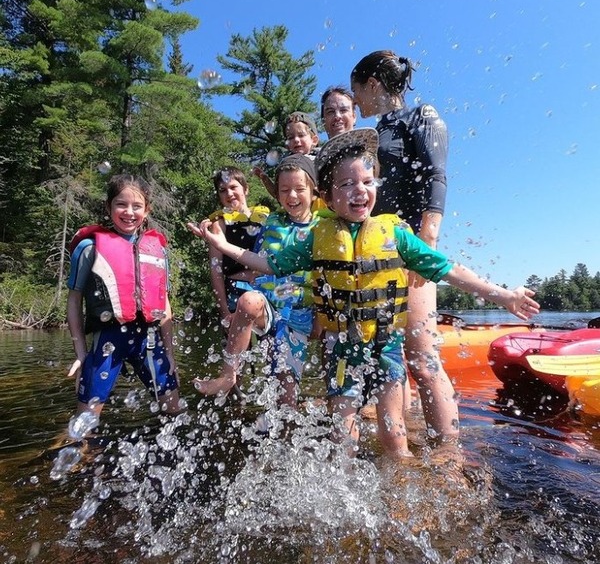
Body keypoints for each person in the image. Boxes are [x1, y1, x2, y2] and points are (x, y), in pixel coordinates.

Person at [189, 129, 540, 459]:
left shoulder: (395, 234)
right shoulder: (317, 237)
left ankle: (401, 480)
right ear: (327, 196)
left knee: (394, 430)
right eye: (348, 183)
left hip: (386, 345)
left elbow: (447, 269)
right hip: (342, 346)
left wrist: (503, 296)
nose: (360, 190)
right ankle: (344, 495)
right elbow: (267, 264)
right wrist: (223, 246)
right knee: (343, 430)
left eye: (367, 181)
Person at [350, 50, 456, 443]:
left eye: (356, 90)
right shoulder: (376, 133)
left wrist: (426, 243)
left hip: (411, 248)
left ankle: (448, 454)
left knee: (423, 360)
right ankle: (408, 435)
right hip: (378, 253)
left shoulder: (421, 116)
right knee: (392, 358)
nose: (355, 99)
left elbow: (436, 177)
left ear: (373, 85)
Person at [192, 155, 318, 410]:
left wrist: (323, 316)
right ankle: (228, 377)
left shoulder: (322, 226)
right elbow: (254, 258)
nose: (291, 195)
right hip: (264, 307)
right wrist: (219, 243)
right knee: (248, 301)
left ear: (315, 191)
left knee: (286, 395)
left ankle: (279, 431)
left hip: (298, 314)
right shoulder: (271, 222)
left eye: (299, 189)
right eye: (284, 190)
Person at [66, 174, 181, 423]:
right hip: (107, 341)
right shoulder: (88, 249)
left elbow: (164, 305)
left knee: (175, 411)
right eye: (121, 204)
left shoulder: (158, 250)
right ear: (109, 207)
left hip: (148, 341)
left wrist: (170, 352)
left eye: (137, 206)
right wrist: (81, 354)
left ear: (147, 210)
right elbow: (74, 301)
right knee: (84, 426)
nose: (129, 212)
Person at [208, 167, 270, 330]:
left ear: (246, 189)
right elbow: (216, 270)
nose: (229, 194)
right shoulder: (219, 224)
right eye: (223, 190)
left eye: (233, 187)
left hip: (266, 290)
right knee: (238, 352)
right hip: (235, 292)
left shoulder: (266, 220)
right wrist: (224, 311)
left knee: (273, 350)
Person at [253, 112, 320, 200]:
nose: (296, 140)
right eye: (290, 137)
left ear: (314, 140)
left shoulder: (321, 160)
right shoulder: (288, 166)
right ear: (287, 145)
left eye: (301, 135)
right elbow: (279, 196)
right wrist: (265, 179)